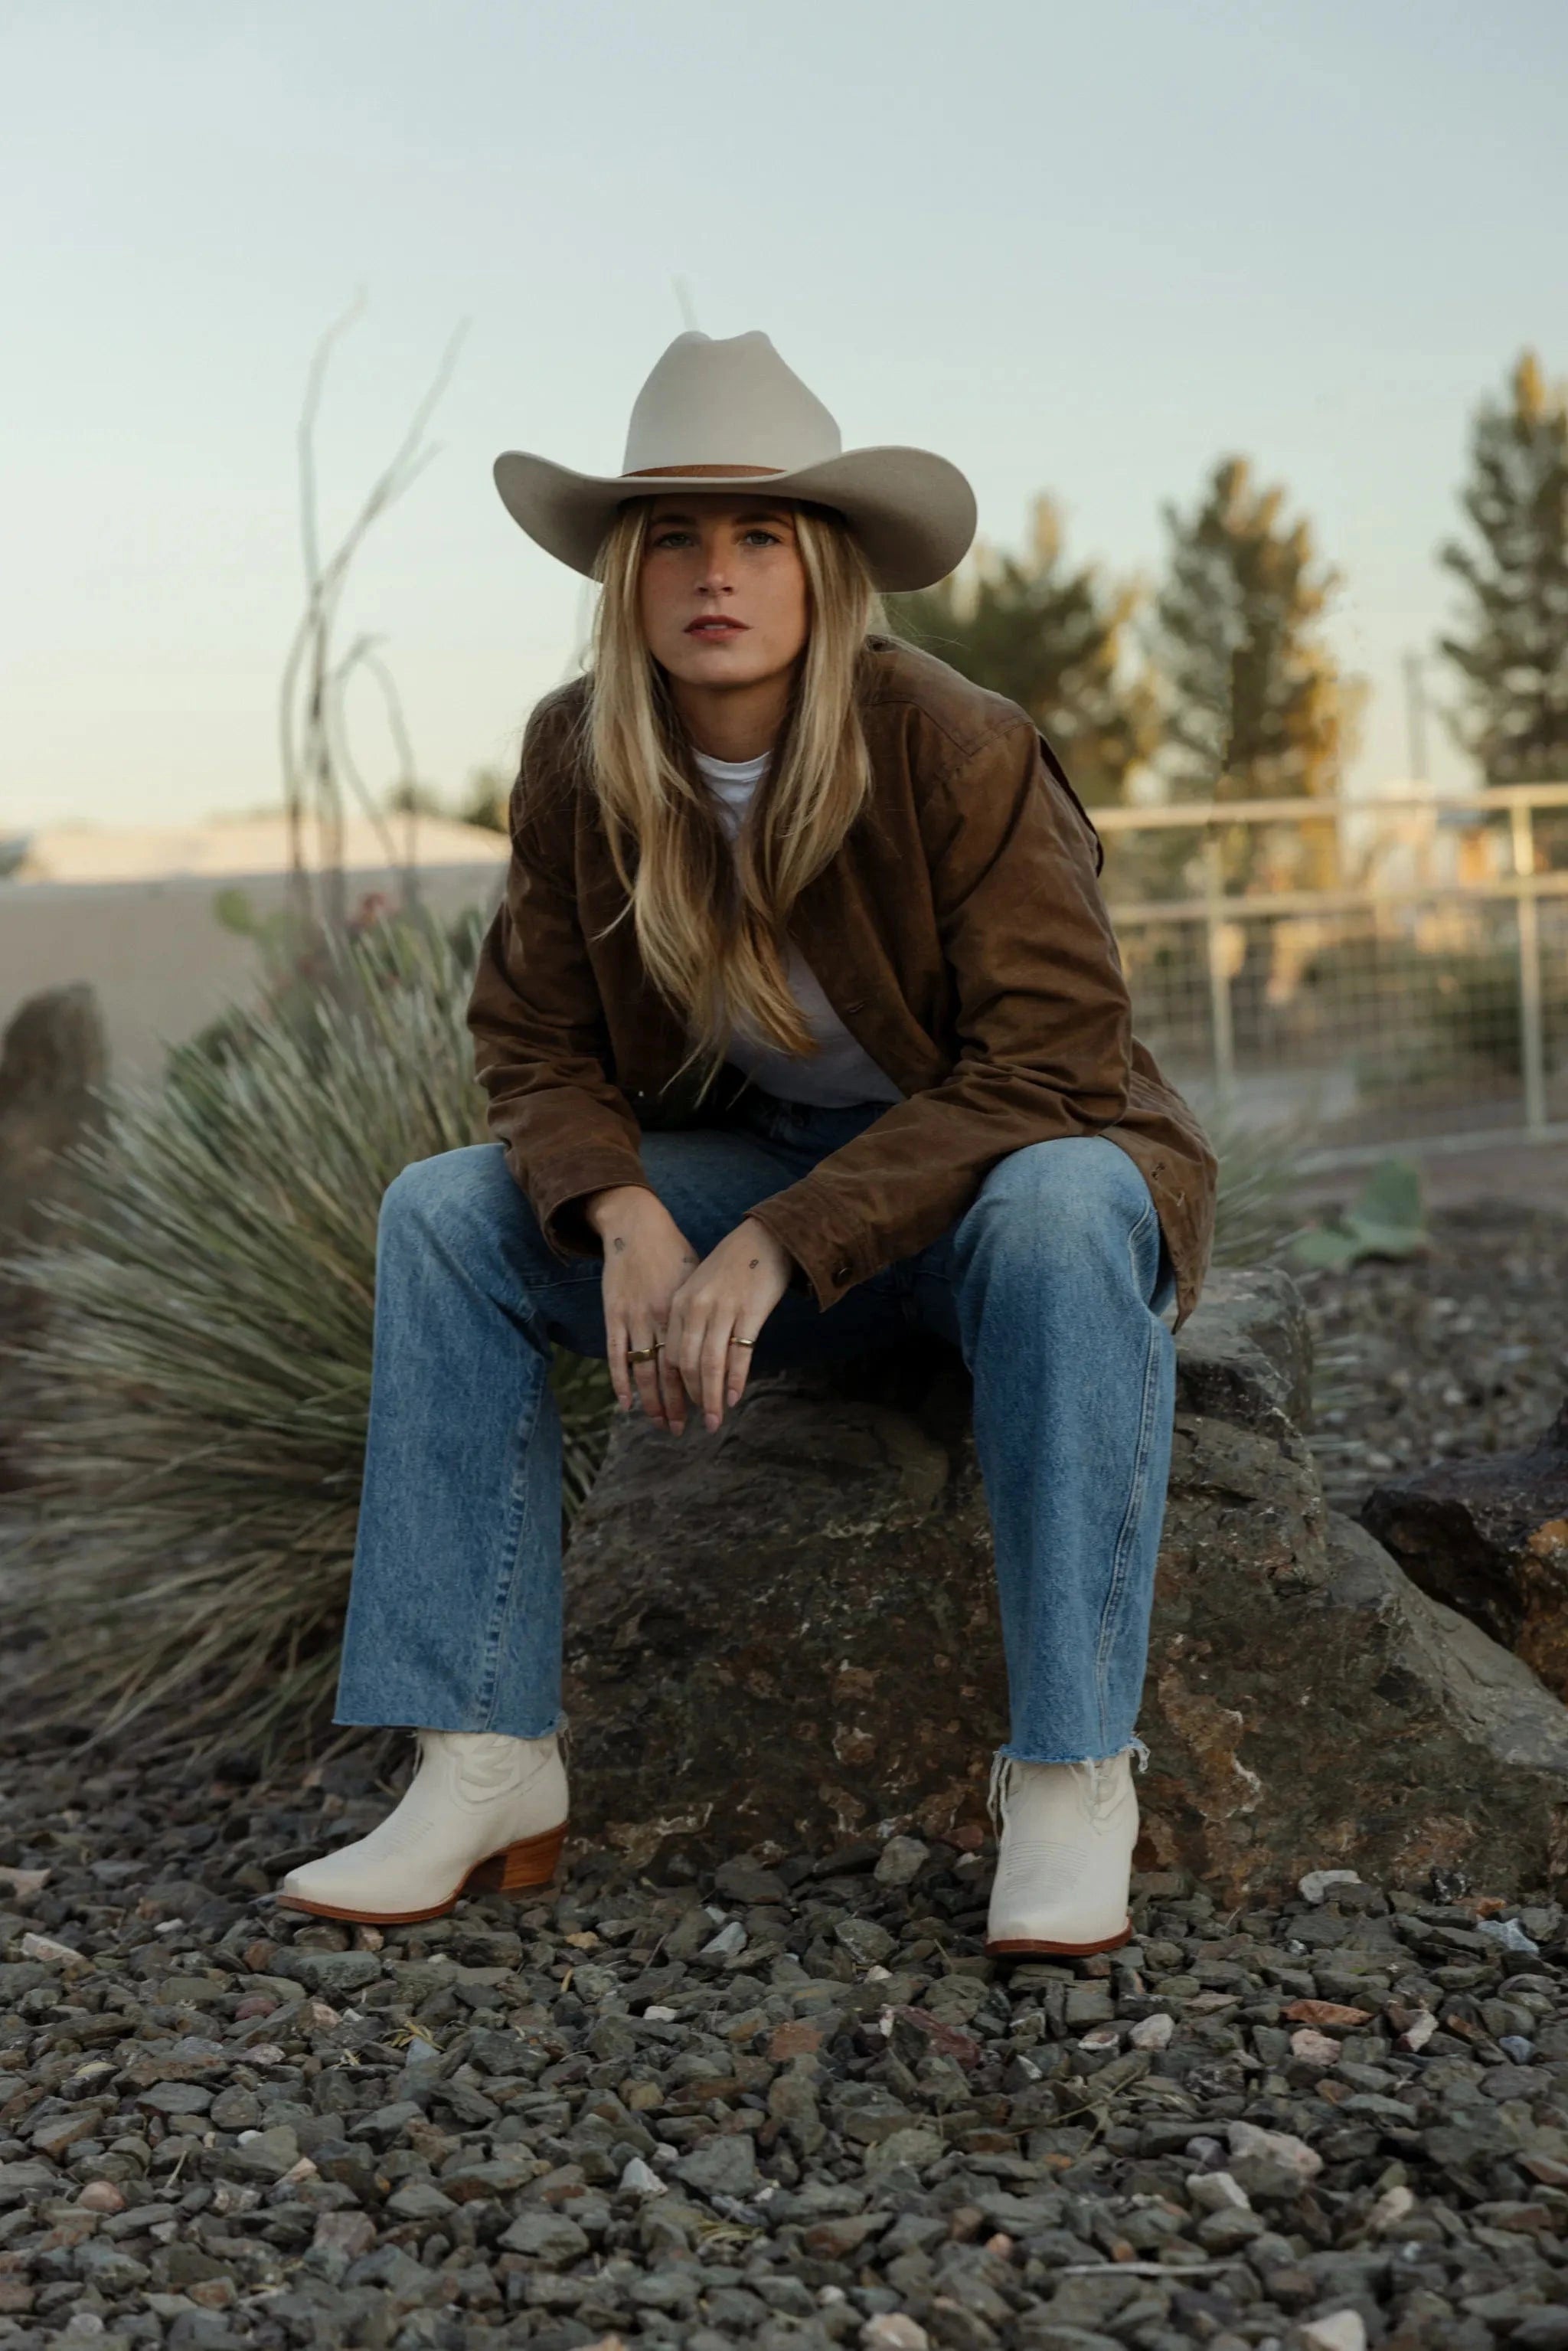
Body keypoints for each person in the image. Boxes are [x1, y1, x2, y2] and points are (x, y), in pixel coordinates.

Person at [276, 329, 1217, 1954]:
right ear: (628, 575)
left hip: (1000, 1192)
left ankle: (1069, 1774)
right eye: (676, 536)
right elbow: (534, 1038)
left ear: (826, 567)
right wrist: (628, 1207)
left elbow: (1055, 1058)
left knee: (1069, 1207)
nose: (717, 571)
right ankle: (482, 1757)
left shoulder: (956, 741)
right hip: (775, 1190)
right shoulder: (582, 754)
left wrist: (782, 1240)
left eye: (760, 533)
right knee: (443, 1212)